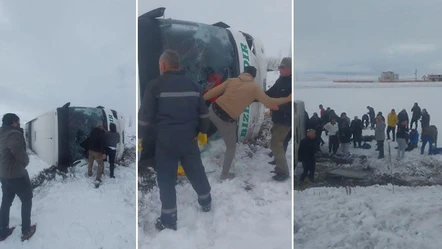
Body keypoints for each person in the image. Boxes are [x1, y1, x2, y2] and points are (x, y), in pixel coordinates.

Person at [138, 49, 212, 231]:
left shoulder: (155, 85)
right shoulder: (193, 85)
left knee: (166, 179)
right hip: (189, 138)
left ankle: (169, 219)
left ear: (163, 65)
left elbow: (145, 116)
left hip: (166, 142)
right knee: (196, 170)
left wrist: (140, 136)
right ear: (177, 65)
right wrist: (203, 132)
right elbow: (204, 113)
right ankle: (206, 201)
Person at [204, 62, 292, 181]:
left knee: (202, 130)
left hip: (212, 111)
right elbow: (270, 102)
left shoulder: (231, 80)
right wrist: (287, 99)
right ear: (253, 77)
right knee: (230, 147)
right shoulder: (254, 88)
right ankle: (224, 175)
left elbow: (210, 94)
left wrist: (198, 102)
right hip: (226, 120)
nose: (280, 69)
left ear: (243, 72)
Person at [0, 114, 36, 241]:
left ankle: (2, 230)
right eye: (18, 122)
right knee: (27, 200)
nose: (19, 124)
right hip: (17, 175)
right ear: (13, 123)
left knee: (6, 202)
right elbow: (15, 148)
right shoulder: (13, 134)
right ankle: (26, 231)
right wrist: (25, 161)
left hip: (4, 175)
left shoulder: (1, 133)